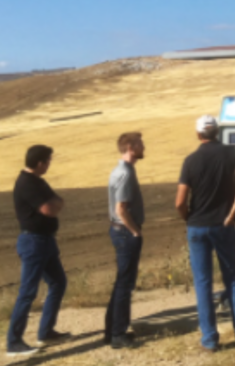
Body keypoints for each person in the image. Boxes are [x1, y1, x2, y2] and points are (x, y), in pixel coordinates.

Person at [176, 115, 235, 351]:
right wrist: (231, 215)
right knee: (231, 277)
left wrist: (188, 218)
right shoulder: (232, 154)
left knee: (203, 283)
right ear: (217, 132)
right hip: (224, 225)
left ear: (198, 134)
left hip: (197, 226)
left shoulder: (190, 161)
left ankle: (209, 340)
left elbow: (179, 201)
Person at [6, 144, 70, 357]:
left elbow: (57, 202)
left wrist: (55, 204)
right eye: (49, 160)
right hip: (34, 242)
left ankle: (46, 331)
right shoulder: (27, 183)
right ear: (40, 162)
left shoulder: (38, 181)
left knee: (58, 282)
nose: (50, 164)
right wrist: (55, 204)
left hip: (45, 241)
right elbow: (50, 208)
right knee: (27, 292)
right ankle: (14, 342)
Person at [104, 132, 146, 349]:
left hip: (121, 231)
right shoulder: (124, 173)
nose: (144, 146)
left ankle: (112, 330)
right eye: (140, 143)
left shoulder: (125, 170)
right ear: (130, 147)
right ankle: (117, 334)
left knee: (123, 282)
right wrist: (135, 232)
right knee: (124, 284)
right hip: (125, 233)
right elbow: (121, 208)